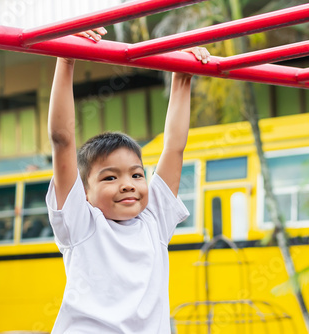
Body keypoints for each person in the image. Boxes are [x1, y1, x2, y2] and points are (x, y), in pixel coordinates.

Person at [45, 28, 210, 333]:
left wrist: (182, 76)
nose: (128, 184)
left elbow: (174, 145)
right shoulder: (81, 224)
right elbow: (62, 140)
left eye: (136, 174)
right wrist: (66, 59)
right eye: (110, 177)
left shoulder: (154, 222)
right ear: (85, 192)